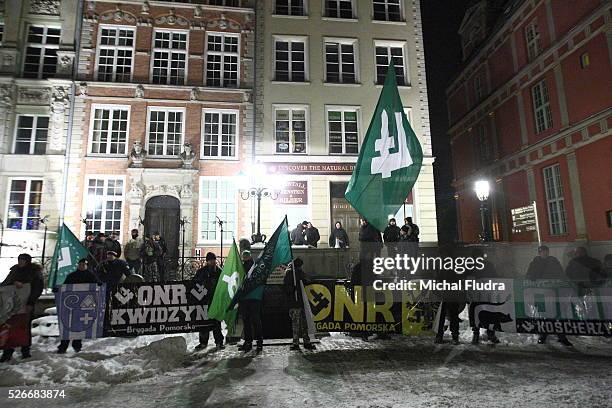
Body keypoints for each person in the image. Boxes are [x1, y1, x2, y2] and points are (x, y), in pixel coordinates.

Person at [525, 245, 572, 346]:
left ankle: (561, 336)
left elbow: (560, 273)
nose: (544, 253)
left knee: (557, 314)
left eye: (546, 251)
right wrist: (533, 278)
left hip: (554, 291)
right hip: (541, 292)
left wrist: (561, 280)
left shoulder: (553, 261)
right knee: (545, 315)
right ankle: (543, 335)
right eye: (542, 251)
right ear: (539, 253)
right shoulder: (535, 263)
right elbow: (529, 275)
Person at [0, 254, 44, 362]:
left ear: (27, 261)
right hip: (11, 306)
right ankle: (7, 351)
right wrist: (13, 283)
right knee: (9, 325)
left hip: (26, 305)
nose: (20, 262)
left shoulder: (34, 273)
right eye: (19, 260)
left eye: (23, 260)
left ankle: (25, 350)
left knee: (24, 326)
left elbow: (37, 288)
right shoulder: (14, 271)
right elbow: (5, 285)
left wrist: (31, 302)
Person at [57, 259, 100, 354]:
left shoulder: (91, 276)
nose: (82, 266)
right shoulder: (71, 276)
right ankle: (63, 346)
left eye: (84, 264)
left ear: (86, 265)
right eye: (80, 264)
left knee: (79, 325)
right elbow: (65, 287)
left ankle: (77, 345)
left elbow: (96, 286)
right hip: (72, 306)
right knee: (68, 324)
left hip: (84, 306)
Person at [466, 248, 500, 344]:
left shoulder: (486, 265)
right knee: (477, 314)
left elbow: (495, 277)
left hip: (486, 294)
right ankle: (478, 333)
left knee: (486, 313)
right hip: (477, 295)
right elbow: (466, 279)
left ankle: (489, 333)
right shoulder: (471, 266)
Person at [194, 252, 224, 350]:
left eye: (214, 260)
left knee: (216, 322)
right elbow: (195, 283)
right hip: (204, 301)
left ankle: (219, 342)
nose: (213, 262)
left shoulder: (219, 271)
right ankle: (203, 342)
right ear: (207, 261)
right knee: (204, 323)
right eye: (211, 260)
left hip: (215, 301)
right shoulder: (201, 272)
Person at [283, 258, 315, 350]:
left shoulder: (291, 273)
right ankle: (305, 341)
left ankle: (297, 342)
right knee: (301, 324)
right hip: (298, 302)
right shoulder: (292, 273)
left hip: (296, 303)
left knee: (297, 324)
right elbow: (308, 280)